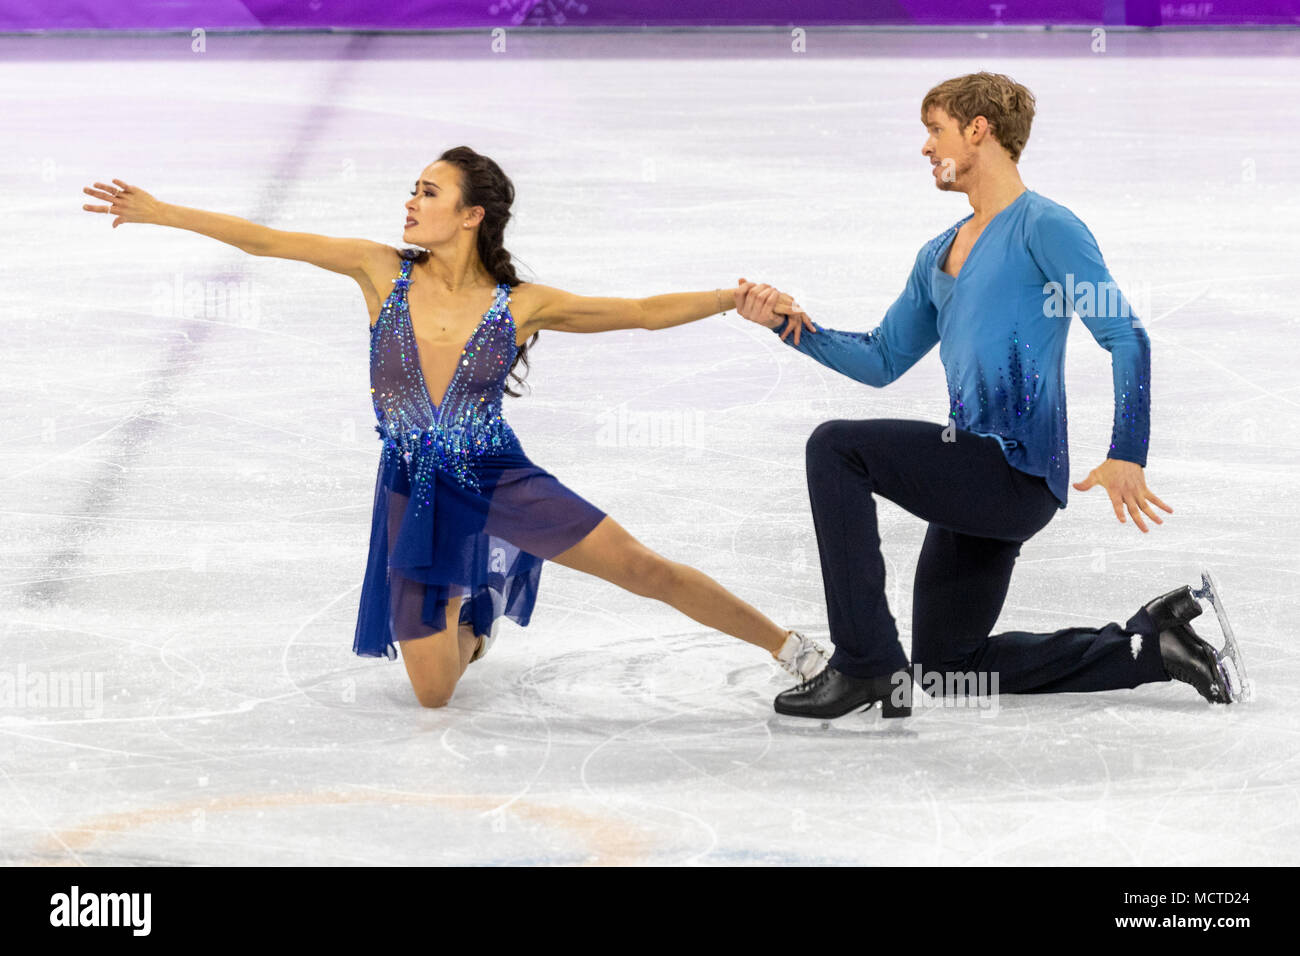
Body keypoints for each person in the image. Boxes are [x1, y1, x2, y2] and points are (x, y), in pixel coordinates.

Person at [81, 146, 829, 709]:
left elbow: (636, 312)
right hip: (411, 488)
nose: (410, 202)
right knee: (434, 694)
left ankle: (790, 648)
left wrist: (733, 299)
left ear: (471, 215)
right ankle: (480, 603)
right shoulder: (380, 270)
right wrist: (161, 210)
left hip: (496, 474)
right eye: (412, 189)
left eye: (428, 192)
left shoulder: (522, 304)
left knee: (642, 568)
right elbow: (267, 239)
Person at [731, 72, 1232, 720]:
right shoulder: (937, 254)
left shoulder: (1046, 227)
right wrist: (789, 326)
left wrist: (1126, 451)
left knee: (836, 449)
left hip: (1012, 472)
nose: (924, 147)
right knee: (945, 669)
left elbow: (1126, 334)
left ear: (978, 130)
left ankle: (863, 665)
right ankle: (1148, 647)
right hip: (971, 471)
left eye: (933, 129)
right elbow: (882, 360)